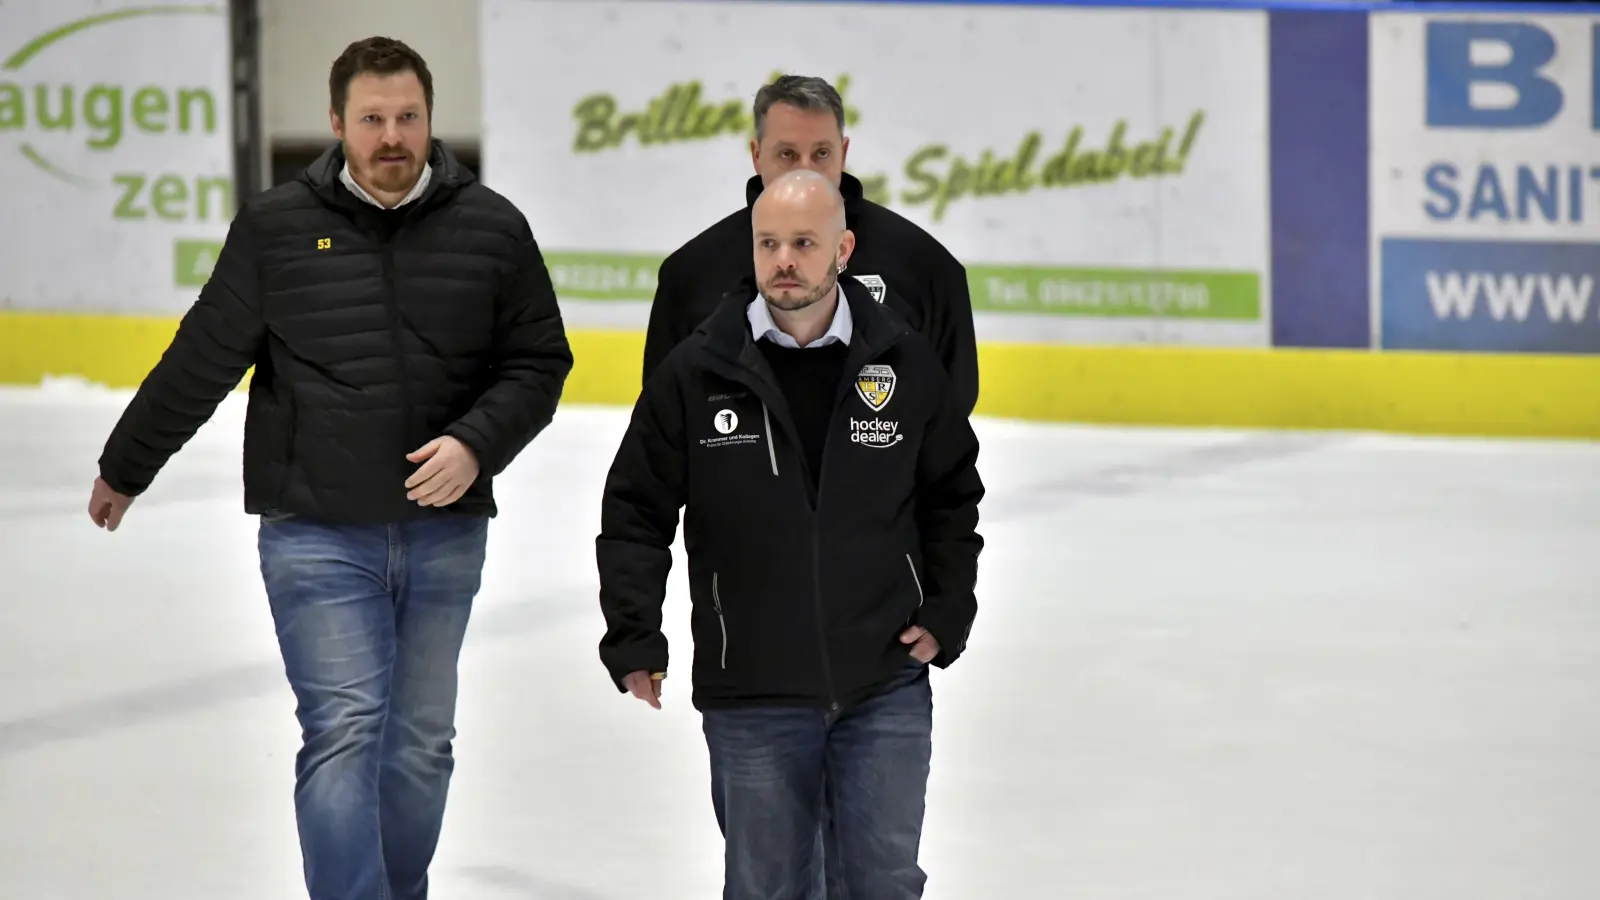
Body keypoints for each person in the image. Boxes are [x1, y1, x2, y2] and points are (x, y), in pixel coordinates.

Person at [86, 36, 573, 900]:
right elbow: (201, 358)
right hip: (315, 531)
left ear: (431, 118)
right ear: (337, 123)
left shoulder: (492, 228)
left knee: (421, 741)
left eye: (409, 118)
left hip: (443, 533)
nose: (393, 137)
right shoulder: (276, 229)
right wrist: (129, 464)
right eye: (373, 119)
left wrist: (475, 444)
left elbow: (540, 362)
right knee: (346, 729)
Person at [595, 168, 984, 899]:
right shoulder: (696, 372)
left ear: (843, 247)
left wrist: (948, 608)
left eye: (803, 243)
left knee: (884, 882)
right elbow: (635, 509)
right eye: (768, 242)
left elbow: (950, 495)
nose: (783, 260)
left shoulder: (901, 361)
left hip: (883, 682)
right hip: (752, 692)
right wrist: (634, 632)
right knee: (768, 887)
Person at [642, 74, 979, 417]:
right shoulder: (690, 275)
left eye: (821, 153)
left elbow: (949, 416)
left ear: (843, 153)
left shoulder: (926, 267)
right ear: (757, 156)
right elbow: (663, 423)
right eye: (787, 154)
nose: (806, 171)